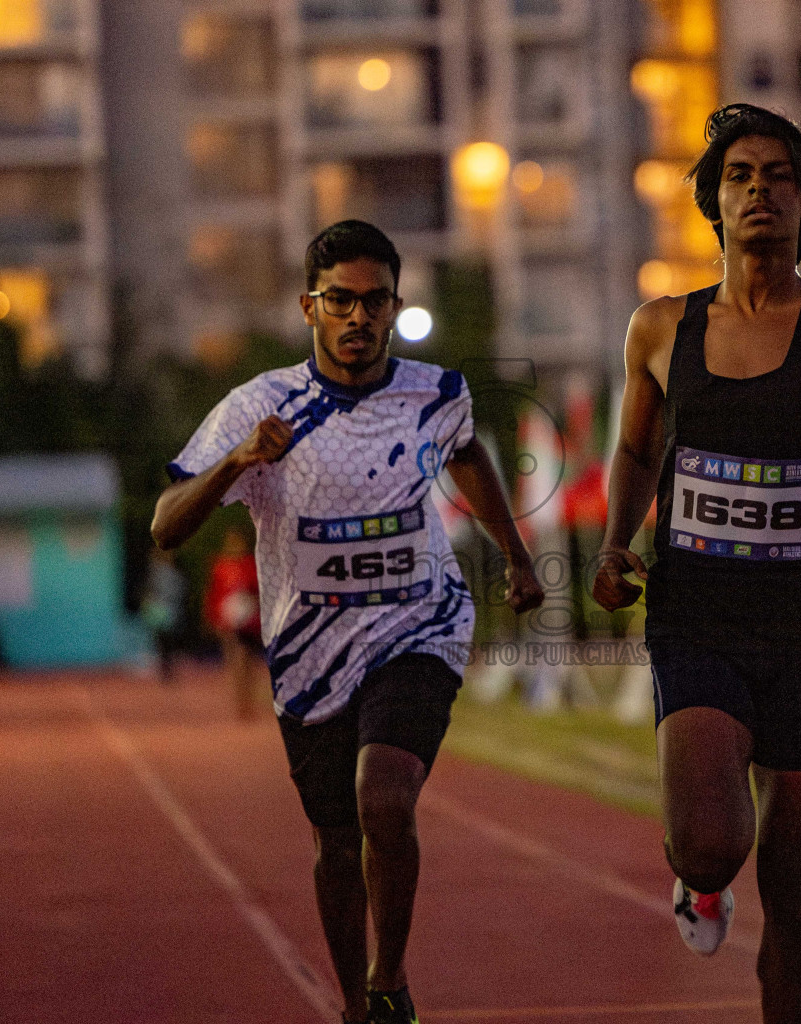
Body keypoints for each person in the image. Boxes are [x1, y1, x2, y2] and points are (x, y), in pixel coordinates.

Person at [592, 104, 801, 1024]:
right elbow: (635, 452)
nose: (758, 191)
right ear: (714, 203)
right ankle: (701, 886)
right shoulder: (662, 329)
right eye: (739, 176)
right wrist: (617, 544)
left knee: (795, 876)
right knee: (707, 845)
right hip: (696, 617)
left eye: (778, 176)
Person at [151, 220, 543, 1024]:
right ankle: (354, 1005)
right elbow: (164, 528)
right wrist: (234, 462)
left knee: (384, 800)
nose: (359, 317)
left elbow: (467, 450)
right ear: (310, 306)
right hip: (308, 654)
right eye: (341, 301)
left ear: (396, 306)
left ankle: (390, 977)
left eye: (375, 301)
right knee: (335, 839)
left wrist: (515, 553)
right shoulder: (258, 407)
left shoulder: (435, 394)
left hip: (418, 628)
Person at [203, 526, 265, 716]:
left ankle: (248, 696)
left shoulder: (250, 565)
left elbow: (260, 591)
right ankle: (241, 699)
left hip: (250, 621)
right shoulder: (220, 566)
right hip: (228, 622)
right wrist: (212, 618)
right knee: (236, 658)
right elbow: (213, 593)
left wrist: (250, 605)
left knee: (248, 661)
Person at [140, 545, 187, 684]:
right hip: (159, 611)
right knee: (161, 642)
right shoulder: (155, 571)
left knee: (168, 642)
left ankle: (168, 668)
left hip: (171, 611)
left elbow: (180, 591)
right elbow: (149, 591)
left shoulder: (173, 572)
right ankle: (164, 668)